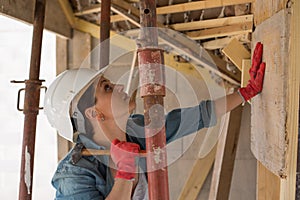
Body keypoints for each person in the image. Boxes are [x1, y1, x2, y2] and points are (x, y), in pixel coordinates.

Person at [44, 43, 265, 200]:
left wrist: (245, 93)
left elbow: (193, 118)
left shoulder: (135, 131)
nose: (119, 86)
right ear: (94, 114)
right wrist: (124, 173)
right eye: (107, 88)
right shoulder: (73, 175)